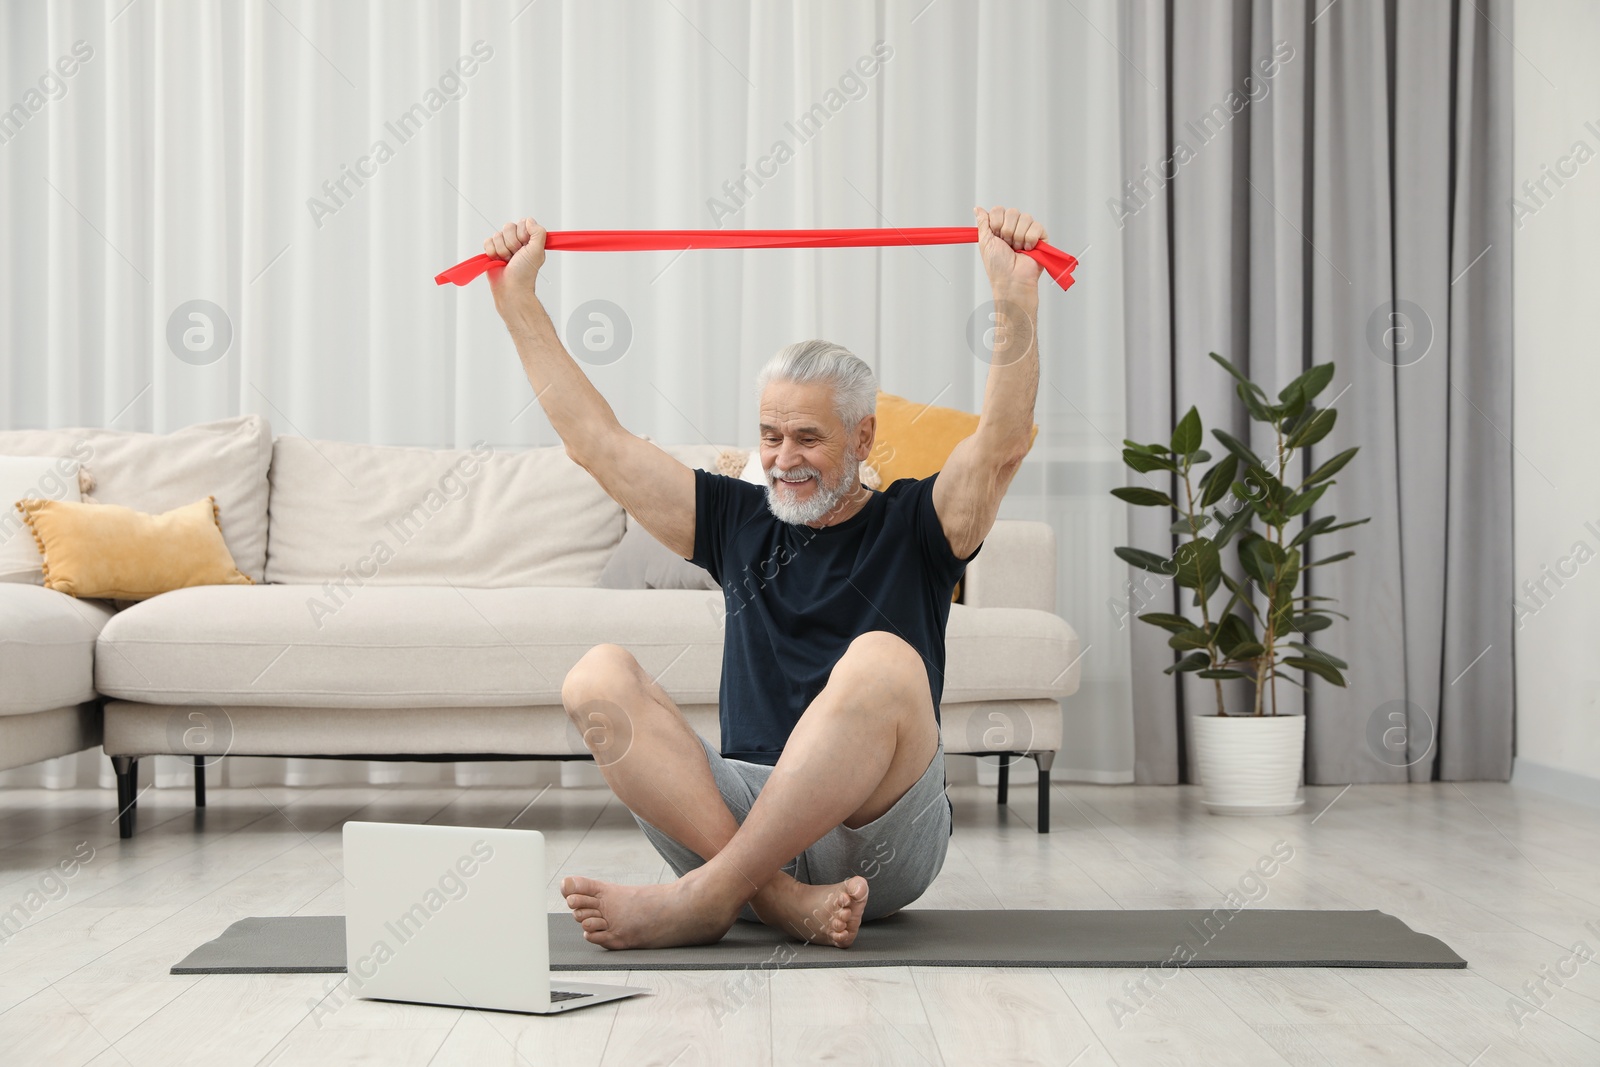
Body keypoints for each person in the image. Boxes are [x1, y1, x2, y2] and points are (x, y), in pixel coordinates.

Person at [483, 206, 1046, 949]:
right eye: (771, 435)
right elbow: (596, 442)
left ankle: (705, 897)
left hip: (877, 837)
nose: (784, 457)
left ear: (863, 436)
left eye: (808, 437)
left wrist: (1015, 301)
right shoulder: (733, 518)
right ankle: (778, 899)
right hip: (737, 818)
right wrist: (516, 301)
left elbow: (1001, 445)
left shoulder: (917, 522)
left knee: (883, 661)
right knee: (596, 677)